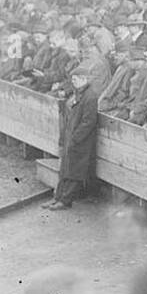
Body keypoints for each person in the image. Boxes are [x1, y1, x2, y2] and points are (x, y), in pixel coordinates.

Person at [43, 69, 100, 210]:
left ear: (83, 79)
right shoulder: (78, 93)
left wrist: (75, 138)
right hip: (72, 137)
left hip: (80, 141)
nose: (72, 82)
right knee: (65, 169)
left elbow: (89, 121)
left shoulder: (90, 97)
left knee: (74, 171)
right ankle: (57, 197)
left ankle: (65, 200)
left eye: (75, 79)